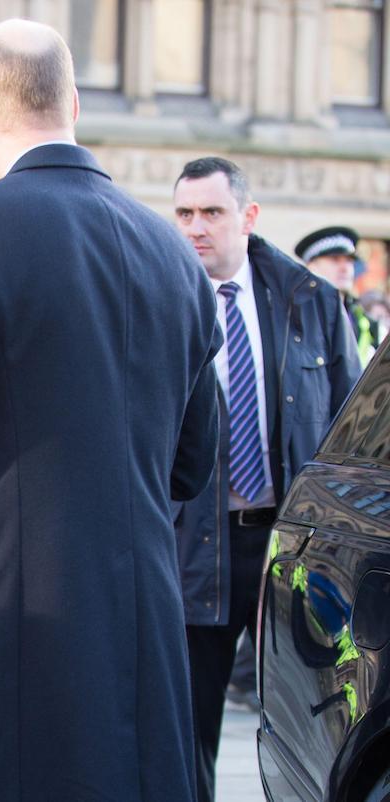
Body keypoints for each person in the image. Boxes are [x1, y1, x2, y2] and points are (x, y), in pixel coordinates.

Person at [0, 20, 221, 800]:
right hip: (139, 611)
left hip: (5, 611)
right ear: (76, 103)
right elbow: (192, 463)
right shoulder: (172, 253)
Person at [171, 156, 361, 801]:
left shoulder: (312, 303)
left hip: (297, 548)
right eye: (186, 214)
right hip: (194, 544)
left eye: (212, 213)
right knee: (188, 725)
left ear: (248, 217)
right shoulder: (163, 302)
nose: (197, 228)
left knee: (320, 723)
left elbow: (351, 429)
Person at [295, 226, 379, 366]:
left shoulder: (364, 320)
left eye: (349, 260)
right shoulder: (295, 315)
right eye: (334, 260)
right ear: (312, 266)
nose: (345, 268)